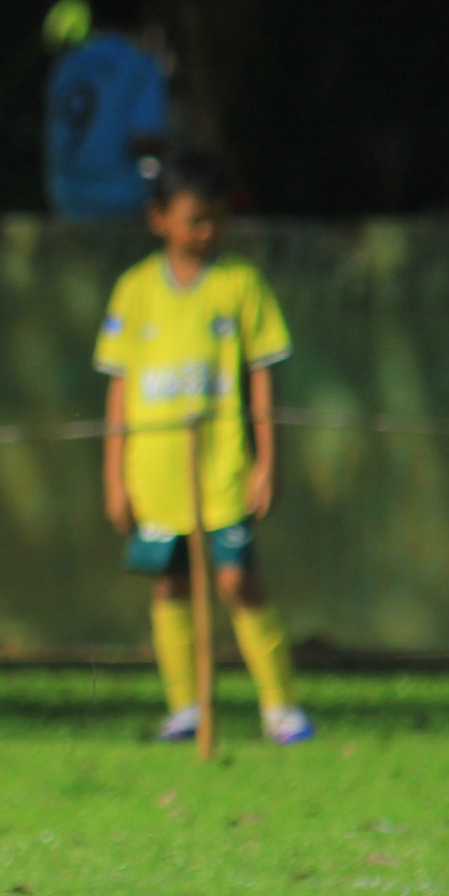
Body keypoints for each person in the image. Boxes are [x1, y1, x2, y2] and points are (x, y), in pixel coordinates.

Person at [99, 150, 311, 744]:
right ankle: (185, 706)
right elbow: (117, 390)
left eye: (217, 218)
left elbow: (263, 376)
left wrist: (267, 462)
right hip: (155, 472)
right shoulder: (135, 291)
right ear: (158, 218)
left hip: (221, 464)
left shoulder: (240, 285)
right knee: (168, 582)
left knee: (236, 579)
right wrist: (114, 478)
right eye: (194, 218)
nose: (207, 231)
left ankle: (280, 705)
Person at [45, 0, 168, 220]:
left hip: (66, 196)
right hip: (123, 199)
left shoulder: (68, 64)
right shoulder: (141, 65)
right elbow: (144, 138)